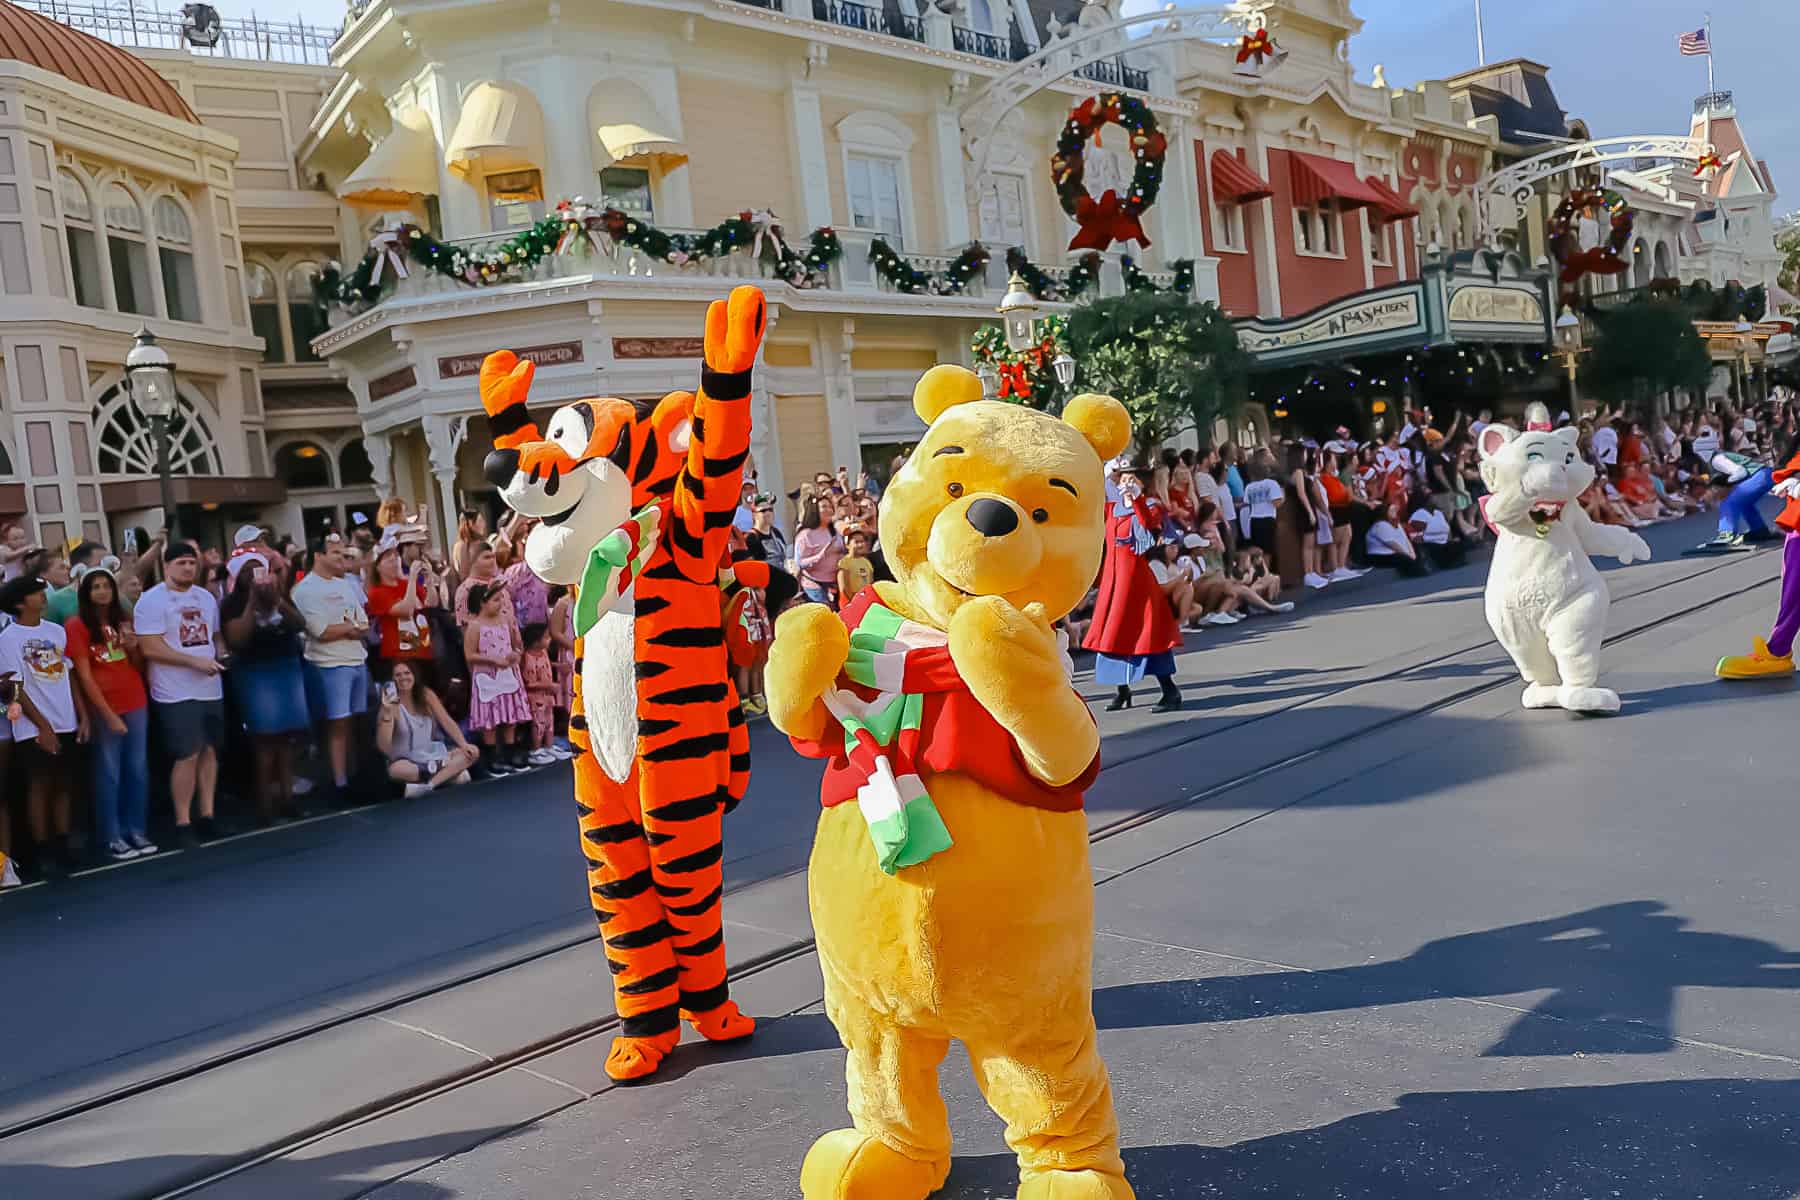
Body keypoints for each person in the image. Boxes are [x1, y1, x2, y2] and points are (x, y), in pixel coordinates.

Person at [133, 541, 226, 845]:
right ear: (167, 565)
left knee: (210, 750)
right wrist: (193, 661)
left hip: (210, 685)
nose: (188, 567)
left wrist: (220, 654)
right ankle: (183, 820)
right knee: (187, 752)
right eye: (181, 563)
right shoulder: (151, 600)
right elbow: (149, 646)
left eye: (192, 563)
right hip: (175, 689)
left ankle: (208, 814)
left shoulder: (206, 597)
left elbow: (214, 635)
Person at [65, 565, 154, 861]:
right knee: (109, 772)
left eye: (106, 585)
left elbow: (139, 667)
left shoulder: (123, 620)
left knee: (137, 769)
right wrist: (106, 713)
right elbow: (83, 675)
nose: (102, 591)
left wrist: (133, 648)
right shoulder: (77, 625)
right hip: (105, 705)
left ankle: (136, 829)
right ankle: (112, 835)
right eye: (95, 586)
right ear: (86, 592)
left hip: (136, 699)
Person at [0, 574, 85, 876]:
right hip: (32, 726)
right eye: (37, 593)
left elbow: (69, 674)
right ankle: (43, 848)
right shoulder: (8, 639)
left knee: (64, 783)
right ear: (21, 602)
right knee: (40, 785)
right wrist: (42, 726)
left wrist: (82, 714)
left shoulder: (57, 631)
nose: (43, 596)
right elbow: (14, 686)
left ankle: (62, 841)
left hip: (65, 719)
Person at [1085, 465, 1183, 712]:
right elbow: (1092, 504)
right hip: (1114, 582)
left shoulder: (1150, 507)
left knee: (1146, 635)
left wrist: (1137, 498)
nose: (1124, 482)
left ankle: (1170, 691)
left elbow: (1150, 526)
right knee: (1114, 634)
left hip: (1137, 584)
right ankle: (1123, 691)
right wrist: (1103, 474)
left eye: (1130, 478)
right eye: (1121, 478)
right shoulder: (1111, 510)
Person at [221, 553, 310, 825]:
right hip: (255, 672)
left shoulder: (278, 596)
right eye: (248, 572)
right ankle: (264, 804)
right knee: (264, 739)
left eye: (259, 570)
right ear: (238, 577)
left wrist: (277, 600)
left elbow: (299, 624)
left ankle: (288, 798)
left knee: (286, 738)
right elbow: (237, 639)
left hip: (285, 666)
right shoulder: (232, 603)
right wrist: (252, 603)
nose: (255, 576)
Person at [291, 535, 371, 805]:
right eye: (336, 553)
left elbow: (364, 624)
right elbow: (321, 631)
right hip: (330, 665)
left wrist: (348, 629)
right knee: (338, 724)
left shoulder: (346, 585)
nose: (341, 559)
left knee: (357, 722)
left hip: (357, 660)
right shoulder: (304, 590)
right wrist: (349, 629)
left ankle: (360, 777)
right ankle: (339, 783)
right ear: (319, 556)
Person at [375, 660, 479, 798]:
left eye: (407, 673)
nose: (403, 678)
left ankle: (428, 786)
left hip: (431, 755)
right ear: (392, 680)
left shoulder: (426, 694)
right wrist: (387, 713)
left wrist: (463, 744)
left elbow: (446, 721)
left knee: (473, 751)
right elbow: (384, 747)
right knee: (396, 770)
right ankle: (449, 775)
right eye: (398, 675)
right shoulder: (390, 705)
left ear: (414, 675)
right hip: (407, 761)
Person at [464, 582, 529, 774]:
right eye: (495, 599)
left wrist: (516, 654)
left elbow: (517, 644)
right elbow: (470, 654)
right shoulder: (475, 626)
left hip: (507, 673)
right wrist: (493, 660)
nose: (500, 603)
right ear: (482, 603)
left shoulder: (506, 620)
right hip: (487, 675)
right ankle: (493, 756)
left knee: (510, 714)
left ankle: (511, 750)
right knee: (489, 717)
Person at [365, 537, 436, 681]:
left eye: (395, 556)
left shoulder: (406, 584)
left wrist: (429, 580)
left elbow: (431, 603)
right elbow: (406, 610)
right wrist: (411, 579)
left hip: (422, 647)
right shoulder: (377, 592)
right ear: (377, 567)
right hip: (398, 653)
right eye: (387, 558)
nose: (394, 560)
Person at [519, 621, 563, 766]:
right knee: (538, 723)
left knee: (549, 721)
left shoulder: (543, 653)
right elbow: (529, 683)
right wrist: (548, 685)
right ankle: (536, 750)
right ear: (536, 641)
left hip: (548, 696)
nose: (549, 639)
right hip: (536, 698)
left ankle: (549, 746)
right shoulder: (527, 658)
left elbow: (547, 665)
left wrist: (558, 666)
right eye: (546, 637)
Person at [794, 497, 844, 605]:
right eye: (824, 507)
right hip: (814, 585)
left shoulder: (835, 531)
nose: (828, 510)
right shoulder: (805, 534)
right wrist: (821, 555)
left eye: (830, 506)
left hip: (834, 583)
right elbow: (800, 562)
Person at [1365, 502, 1430, 576]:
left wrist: (1412, 555)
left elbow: (1405, 540)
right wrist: (1408, 556)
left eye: (1394, 510)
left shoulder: (1397, 524)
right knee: (1401, 558)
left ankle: (1419, 567)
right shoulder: (1380, 525)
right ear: (1384, 513)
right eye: (1392, 510)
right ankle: (1418, 571)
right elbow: (1393, 544)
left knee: (1415, 545)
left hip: (1394, 552)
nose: (1395, 511)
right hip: (1380, 555)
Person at [1240, 460, 1284, 556]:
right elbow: (1277, 503)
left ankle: (1259, 569)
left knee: (1257, 550)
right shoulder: (1272, 484)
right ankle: (1266, 570)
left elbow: (1246, 503)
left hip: (1254, 520)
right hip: (1268, 519)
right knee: (1268, 551)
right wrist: (1283, 496)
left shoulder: (1249, 487)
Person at [1408, 504, 1466, 569]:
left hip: (1444, 542)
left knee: (1459, 543)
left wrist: (1449, 539)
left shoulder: (1438, 514)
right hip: (1432, 546)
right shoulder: (1417, 519)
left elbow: (1446, 531)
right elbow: (1417, 539)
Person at [835, 527, 875, 609]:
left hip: (865, 600)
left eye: (862, 541)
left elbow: (870, 583)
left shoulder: (866, 562)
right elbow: (844, 588)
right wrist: (853, 602)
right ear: (847, 545)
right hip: (851, 602)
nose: (860, 544)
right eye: (856, 542)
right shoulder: (844, 562)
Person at [451, 508, 488, 582]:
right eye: (480, 521)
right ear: (471, 523)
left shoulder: (460, 545)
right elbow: (464, 574)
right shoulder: (463, 546)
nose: (484, 524)